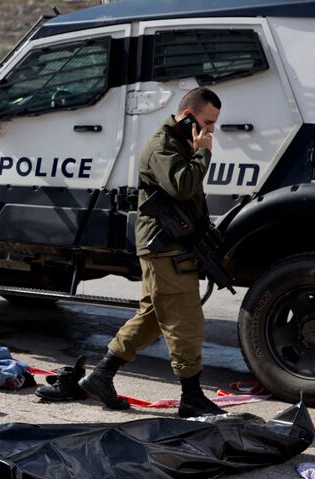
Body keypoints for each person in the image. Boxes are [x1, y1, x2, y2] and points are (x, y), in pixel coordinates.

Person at [79, 87, 225, 418]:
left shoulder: (179, 142)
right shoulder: (163, 146)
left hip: (172, 245)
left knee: (152, 317)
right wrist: (203, 153)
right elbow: (184, 185)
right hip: (165, 248)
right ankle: (191, 397)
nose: (211, 130)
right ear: (188, 116)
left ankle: (102, 375)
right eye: (208, 122)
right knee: (185, 319)